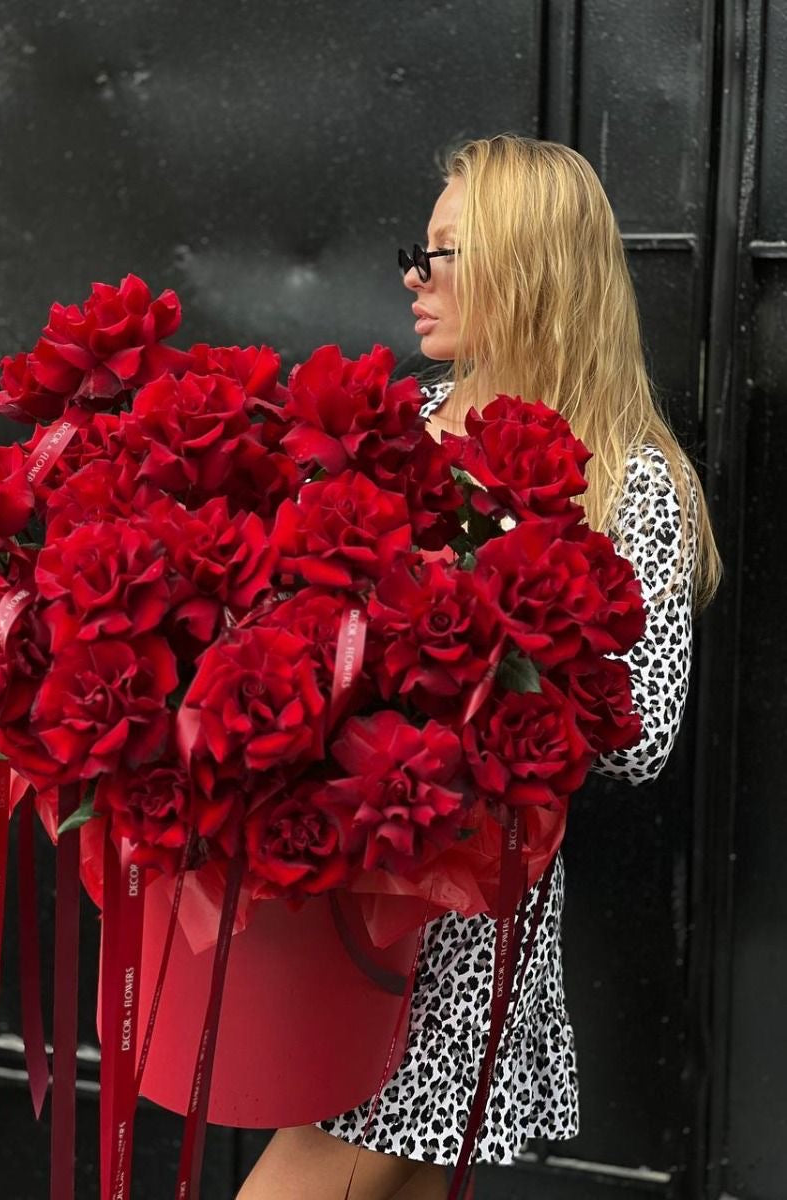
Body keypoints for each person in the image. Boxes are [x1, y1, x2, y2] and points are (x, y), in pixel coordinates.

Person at [236, 134, 722, 1200]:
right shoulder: (395, 428)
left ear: (527, 267)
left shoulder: (630, 480)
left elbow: (640, 732)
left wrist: (477, 686)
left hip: (460, 919)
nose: (414, 273)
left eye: (444, 250)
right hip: (346, 900)